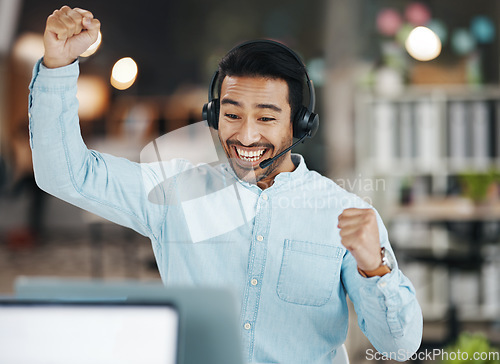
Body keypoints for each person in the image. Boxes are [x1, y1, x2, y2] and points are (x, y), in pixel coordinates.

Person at [30, 6, 422, 363]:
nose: (246, 135)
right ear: (214, 115)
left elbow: (400, 347)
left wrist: (376, 269)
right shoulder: (172, 191)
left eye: (266, 119)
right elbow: (65, 174)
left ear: (300, 124)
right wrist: (59, 66)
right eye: (232, 114)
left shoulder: (345, 212)